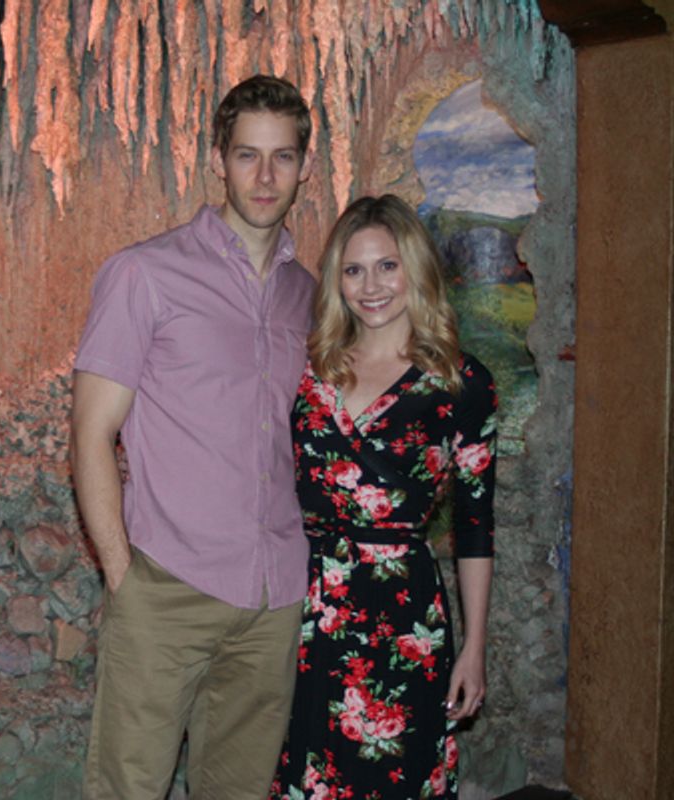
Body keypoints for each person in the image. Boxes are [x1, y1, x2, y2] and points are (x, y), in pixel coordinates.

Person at [71, 75, 315, 799]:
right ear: (218, 159)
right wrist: (123, 577)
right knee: (128, 787)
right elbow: (90, 434)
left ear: (305, 165)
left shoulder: (311, 293)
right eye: (247, 156)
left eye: (283, 157)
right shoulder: (145, 274)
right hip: (166, 586)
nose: (265, 177)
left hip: (275, 596)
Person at [271, 195, 496, 800]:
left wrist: (474, 647)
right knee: (302, 773)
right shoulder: (307, 370)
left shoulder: (461, 383)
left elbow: (476, 524)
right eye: (353, 270)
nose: (371, 286)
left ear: (415, 269)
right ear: (335, 281)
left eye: (387, 266)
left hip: (404, 617)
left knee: (396, 776)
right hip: (304, 609)